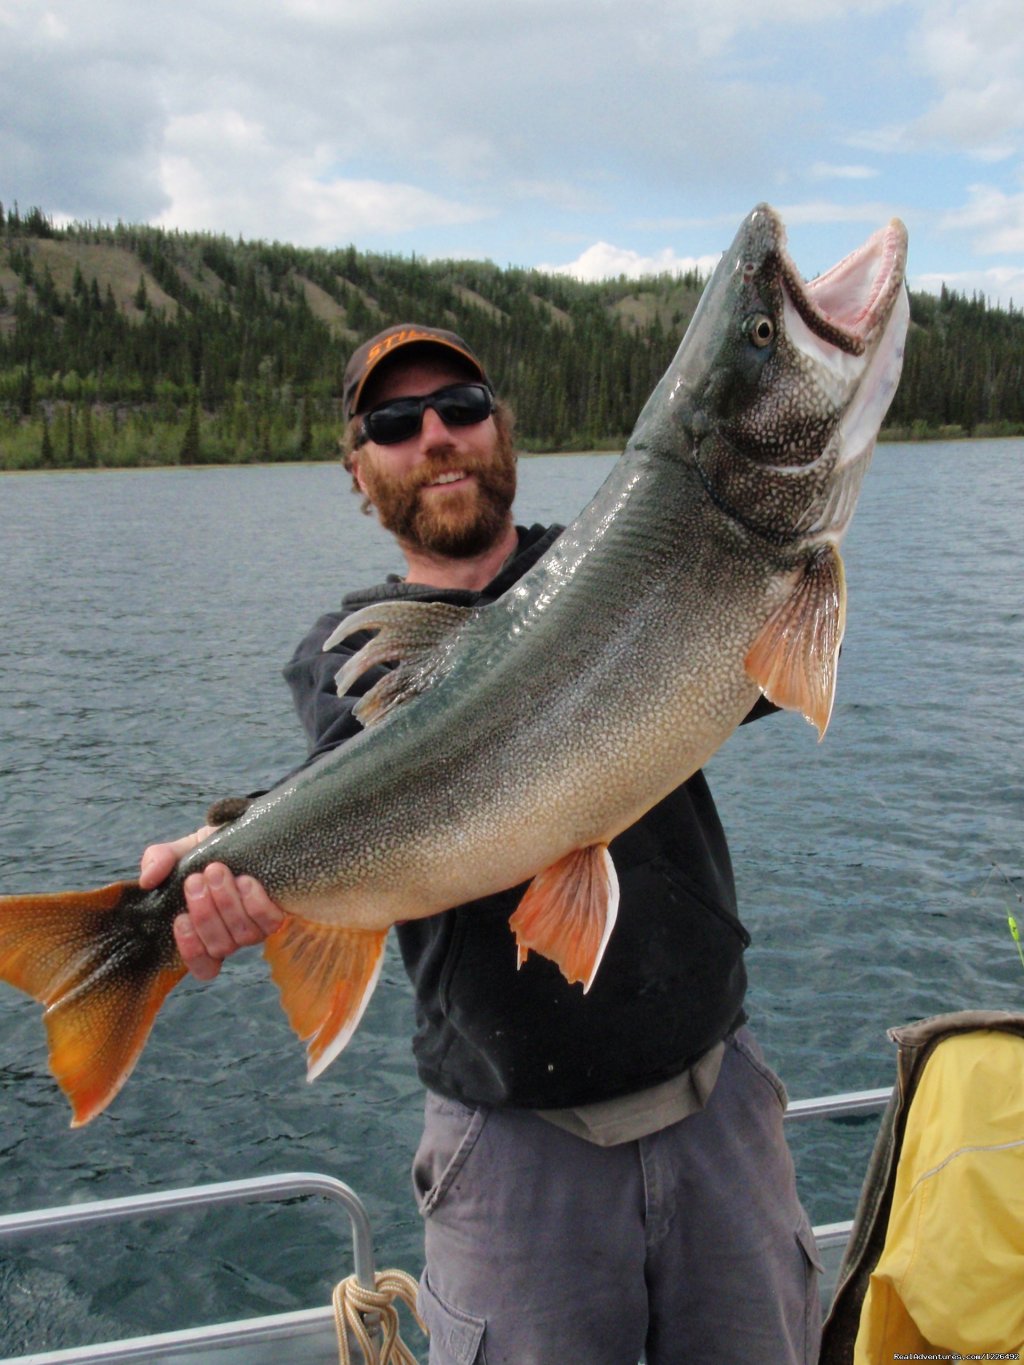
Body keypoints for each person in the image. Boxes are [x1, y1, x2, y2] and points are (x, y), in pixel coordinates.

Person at [140, 323, 822, 1364]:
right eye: (394, 422)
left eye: (460, 408)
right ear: (358, 470)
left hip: (718, 1108)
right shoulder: (349, 656)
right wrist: (222, 855)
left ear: (503, 430)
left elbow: (771, 655)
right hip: (512, 1159)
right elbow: (342, 786)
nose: (436, 437)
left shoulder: (624, 566)